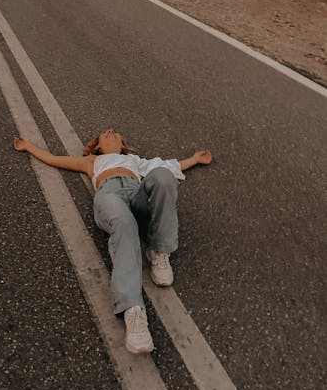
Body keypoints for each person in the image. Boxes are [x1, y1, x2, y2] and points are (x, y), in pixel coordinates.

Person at [13, 128, 212, 354]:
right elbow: (54, 159)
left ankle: (159, 251)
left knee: (164, 177)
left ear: (122, 145)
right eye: (105, 133)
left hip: (137, 194)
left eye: (115, 133)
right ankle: (133, 312)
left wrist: (195, 159)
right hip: (110, 197)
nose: (110, 132)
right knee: (125, 225)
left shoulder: (135, 161)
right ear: (97, 146)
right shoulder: (92, 161)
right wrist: (28, 146)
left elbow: (171, 166)